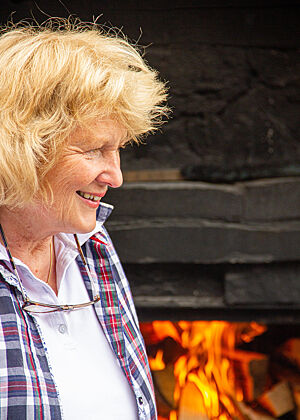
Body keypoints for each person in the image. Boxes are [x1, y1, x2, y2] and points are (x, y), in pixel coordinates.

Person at [0, 19, 168, 420]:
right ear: (23, 148)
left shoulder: (92, 244)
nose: (116, 176)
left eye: (119, 149)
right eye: (94, 149)